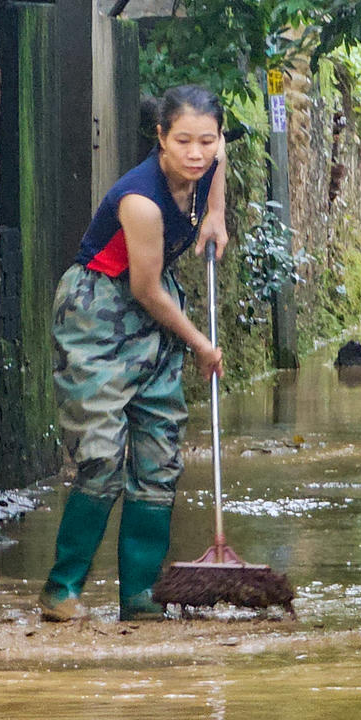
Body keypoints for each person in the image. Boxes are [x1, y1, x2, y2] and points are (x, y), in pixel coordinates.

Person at [38, 84, 229, 623]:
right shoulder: (141, 201)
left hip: (154, 317)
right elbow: (146, 289)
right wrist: (200, 344)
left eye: (206, 141)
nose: (197, 153)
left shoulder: (210, 160)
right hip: (99, 311)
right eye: (184, 141)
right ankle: (61, 589)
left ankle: (140, 598)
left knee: (159, 457)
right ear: (161, 139)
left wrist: (215, 213)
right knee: (101, 458)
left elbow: (221, 164)